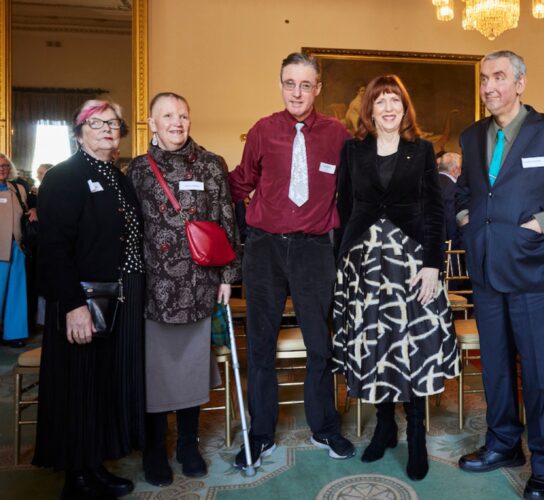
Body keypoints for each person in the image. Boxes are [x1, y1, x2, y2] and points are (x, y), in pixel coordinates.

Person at [455, 50, 544, 500]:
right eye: (483, 79)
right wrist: (464, 219)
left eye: (498, 77)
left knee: (543, 375)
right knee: (494, 369)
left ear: (520, 83)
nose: (489, 86)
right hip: (487, 272)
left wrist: (543, 224)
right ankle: (504, 445)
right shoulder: (473, 135)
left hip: (536, 274)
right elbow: (462, 192)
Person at [228, 52, 355, 468]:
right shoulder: (263, 131)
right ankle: (260, 433)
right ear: (280, 84)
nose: (296, 92)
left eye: (305, 85)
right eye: (289, 83)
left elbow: (355, 189)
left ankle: (325, 428)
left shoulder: (339, 134)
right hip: (263, 248)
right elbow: (240, 182)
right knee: (260, 344)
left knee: (321, 344)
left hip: (314, 250)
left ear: (318, 88)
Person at [333, 75, 459, 481]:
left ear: (405, 109)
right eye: (380, 101)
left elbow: (436, 211)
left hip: (412, 261)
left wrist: (432, 265)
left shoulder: (421, 150)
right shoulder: (353, 151)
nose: (388, 108)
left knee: (411, 346)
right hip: (365, 262)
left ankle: (417, 435)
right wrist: (344, 258)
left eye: (395, 101)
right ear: (369, 109)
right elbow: (347, 205)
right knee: (377, 342)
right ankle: (385, 426)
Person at [127, 92, 241, 486]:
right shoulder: (138, 170)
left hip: (199, 286)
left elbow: (227, 222)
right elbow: (129, 232)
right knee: (156, 372)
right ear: (152, 123)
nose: (177, 122)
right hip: (154, 289)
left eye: (184, 115)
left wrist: (228, 277)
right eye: (168, 115)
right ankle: (155, 447)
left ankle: (188, 444)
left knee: (192, 370)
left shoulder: (211, 164)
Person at [33, 99, 144, 499]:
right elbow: (54, 248)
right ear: (78, 131)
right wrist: (74, 305)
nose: (107, 129)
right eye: (96, 123)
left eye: (113, 123)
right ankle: (76, 476)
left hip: (119, 296)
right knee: (78, 386)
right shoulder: (65, 176)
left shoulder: (118, 175)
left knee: (101, 386)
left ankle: (94, 464)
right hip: (83, 299)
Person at [0, 153, 30, 348]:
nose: (3, 169)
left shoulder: (18, 189)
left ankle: (14, 334)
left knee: (17, 292)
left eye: (5, 166)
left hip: (17, 247)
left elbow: (27, 210)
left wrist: (34, 210)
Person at [438, 152, 462, 250]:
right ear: (455, 169)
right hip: (446, 246)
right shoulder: (452, 189)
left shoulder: (427, 182)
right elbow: (450, 219)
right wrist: (456, 246)